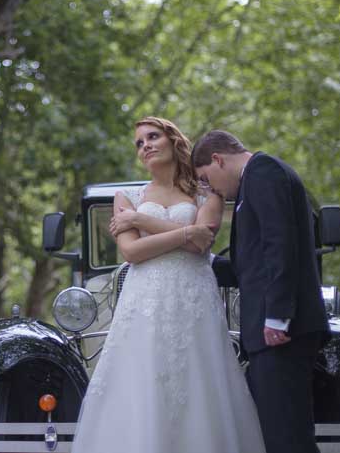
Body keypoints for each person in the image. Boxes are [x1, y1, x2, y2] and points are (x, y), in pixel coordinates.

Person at [71, 117, 266, 453]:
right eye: (138, 142)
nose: (145, 145)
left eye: (152, 136)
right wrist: (186, 232)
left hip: (194, 300)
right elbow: (132, 252)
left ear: (172, 140)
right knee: (141, 384)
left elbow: (202, 244)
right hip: (144, 300)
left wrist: (141, 220)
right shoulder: (126, 196)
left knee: (200, 385)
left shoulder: (207, 191)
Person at [192, 130, 329, 453]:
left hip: (282, 332)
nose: (210, 188)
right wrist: (201, 261)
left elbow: (280, 245)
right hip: (275, 333)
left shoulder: (263, 172)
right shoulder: (256, 180)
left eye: (205, 178)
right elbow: (250, 267)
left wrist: (278, 316)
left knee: (288, 438)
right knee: (280, 433)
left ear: (217, 159)